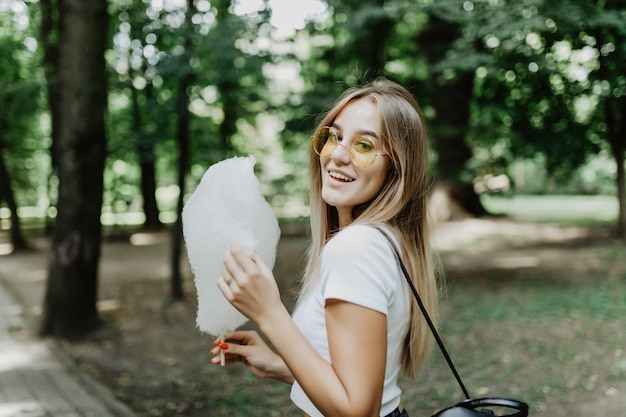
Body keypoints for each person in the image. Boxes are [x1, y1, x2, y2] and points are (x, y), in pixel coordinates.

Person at [210, 77, 439, 417]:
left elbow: (358, 412)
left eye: (364, 146)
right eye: (334, 136)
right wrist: (279, 364)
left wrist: (269, 313)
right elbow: (356, 384)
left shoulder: (355, 248)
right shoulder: (386, 240)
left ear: (396, 168)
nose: (338, 155)